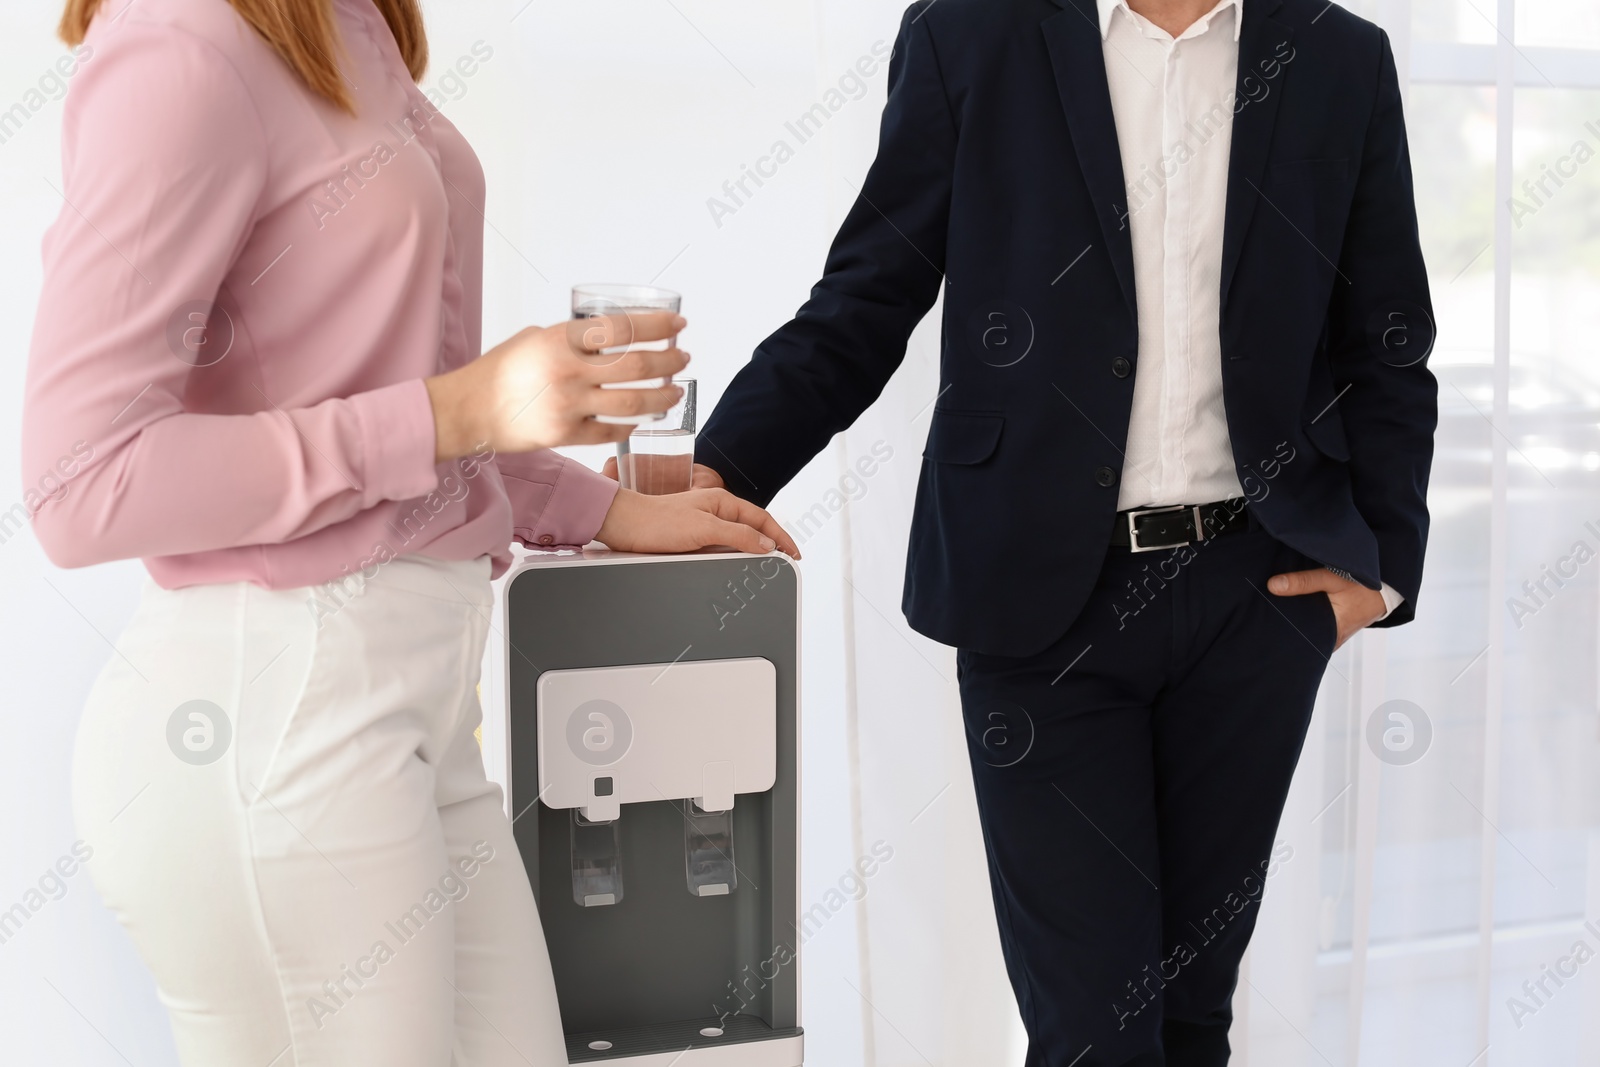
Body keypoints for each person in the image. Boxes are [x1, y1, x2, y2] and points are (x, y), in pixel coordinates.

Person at [23, 0, 797, 1064]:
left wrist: (602, 506)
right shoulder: (181, 36)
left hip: (409, 724)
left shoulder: (350, 26)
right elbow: (81, 482)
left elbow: (382, 401)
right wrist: (464, 409)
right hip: (278, 719)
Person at [692, 0, 1436, 1063]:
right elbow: (866, 296)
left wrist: (1382, 570)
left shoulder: (1336, 53)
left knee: (1189, 1020)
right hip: (1041, 603)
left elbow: (1389, 340)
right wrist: (716, 471)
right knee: (1094, 1032)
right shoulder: (971, 34)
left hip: (1255, 597)